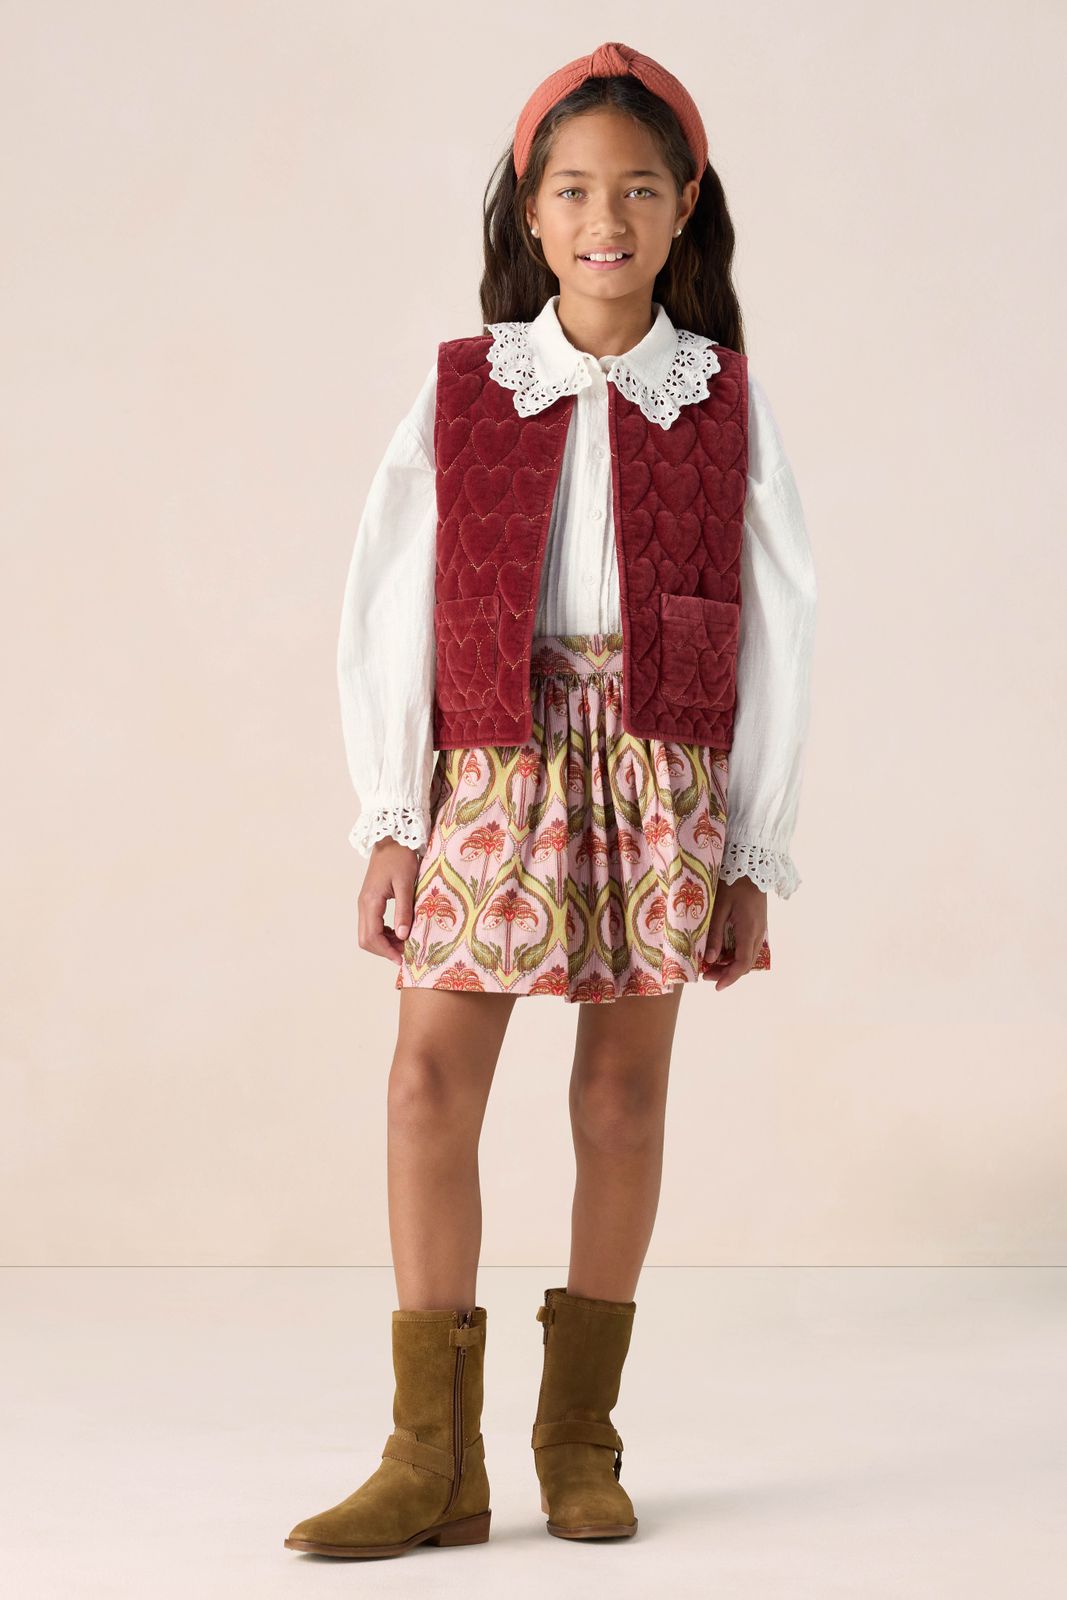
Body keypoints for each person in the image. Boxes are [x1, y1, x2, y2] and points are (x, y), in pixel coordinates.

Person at [285, 39, 817, 1560]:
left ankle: (579, 1437)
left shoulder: (721, 401)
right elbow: (391, 595)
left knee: (620, 1097)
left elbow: (784, 624)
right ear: (530, 210)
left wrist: (754, 846)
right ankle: (430, 1459)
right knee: (425, 1080)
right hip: (492, 761)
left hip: (656, 767)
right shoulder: (467, 390)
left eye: (638, 190)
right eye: (574, 189)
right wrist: (394, 811)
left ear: (685, 206)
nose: (605, 218)